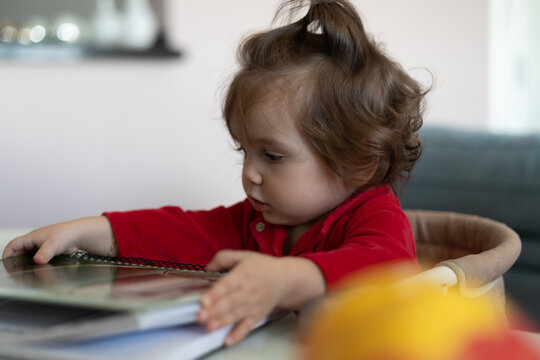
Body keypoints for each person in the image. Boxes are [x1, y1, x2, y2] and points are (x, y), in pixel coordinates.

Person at [3, 0, 427, 346]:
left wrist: (287, 280)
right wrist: (91, 230)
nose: (250, 175)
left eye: (273, 157)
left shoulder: (376, 217)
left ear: (357, 163)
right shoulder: (257, 218)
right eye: (245, 151)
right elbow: (181, 231)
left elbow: (387, 268)